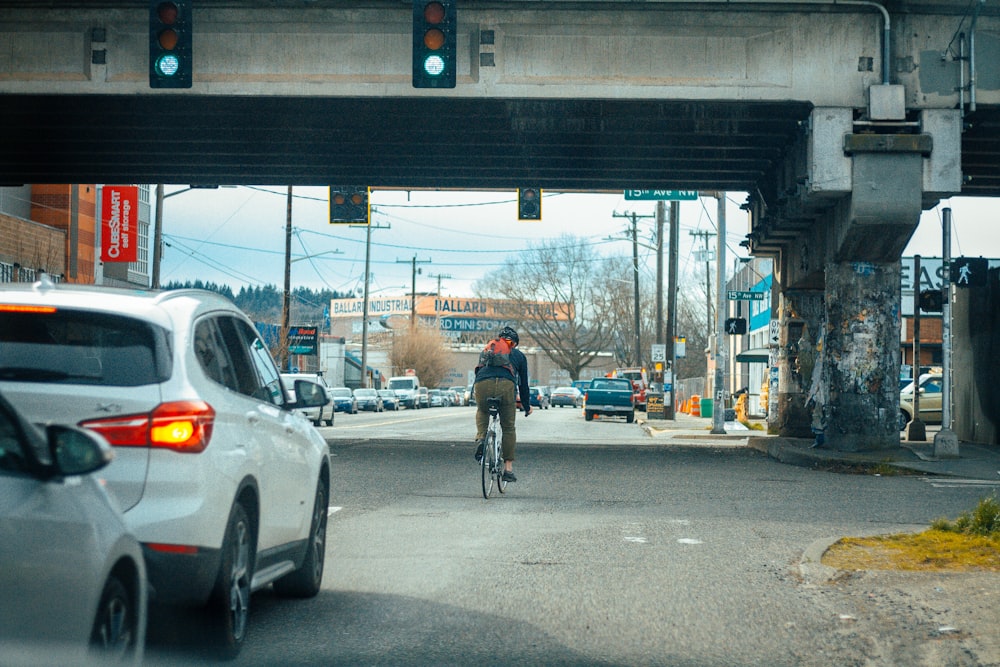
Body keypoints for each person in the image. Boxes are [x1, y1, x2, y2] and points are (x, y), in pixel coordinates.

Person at [473, 325, 531, 482]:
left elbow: (478, 372)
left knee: (483, 410)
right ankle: (508, 469)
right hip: (506, 386)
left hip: (482, 384)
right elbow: (523, 384)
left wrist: (476, 392)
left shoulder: (487, 351)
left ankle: (481, 439)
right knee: (508, 428)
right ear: (514, 343)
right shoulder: (518, 356)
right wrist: (526, 406)